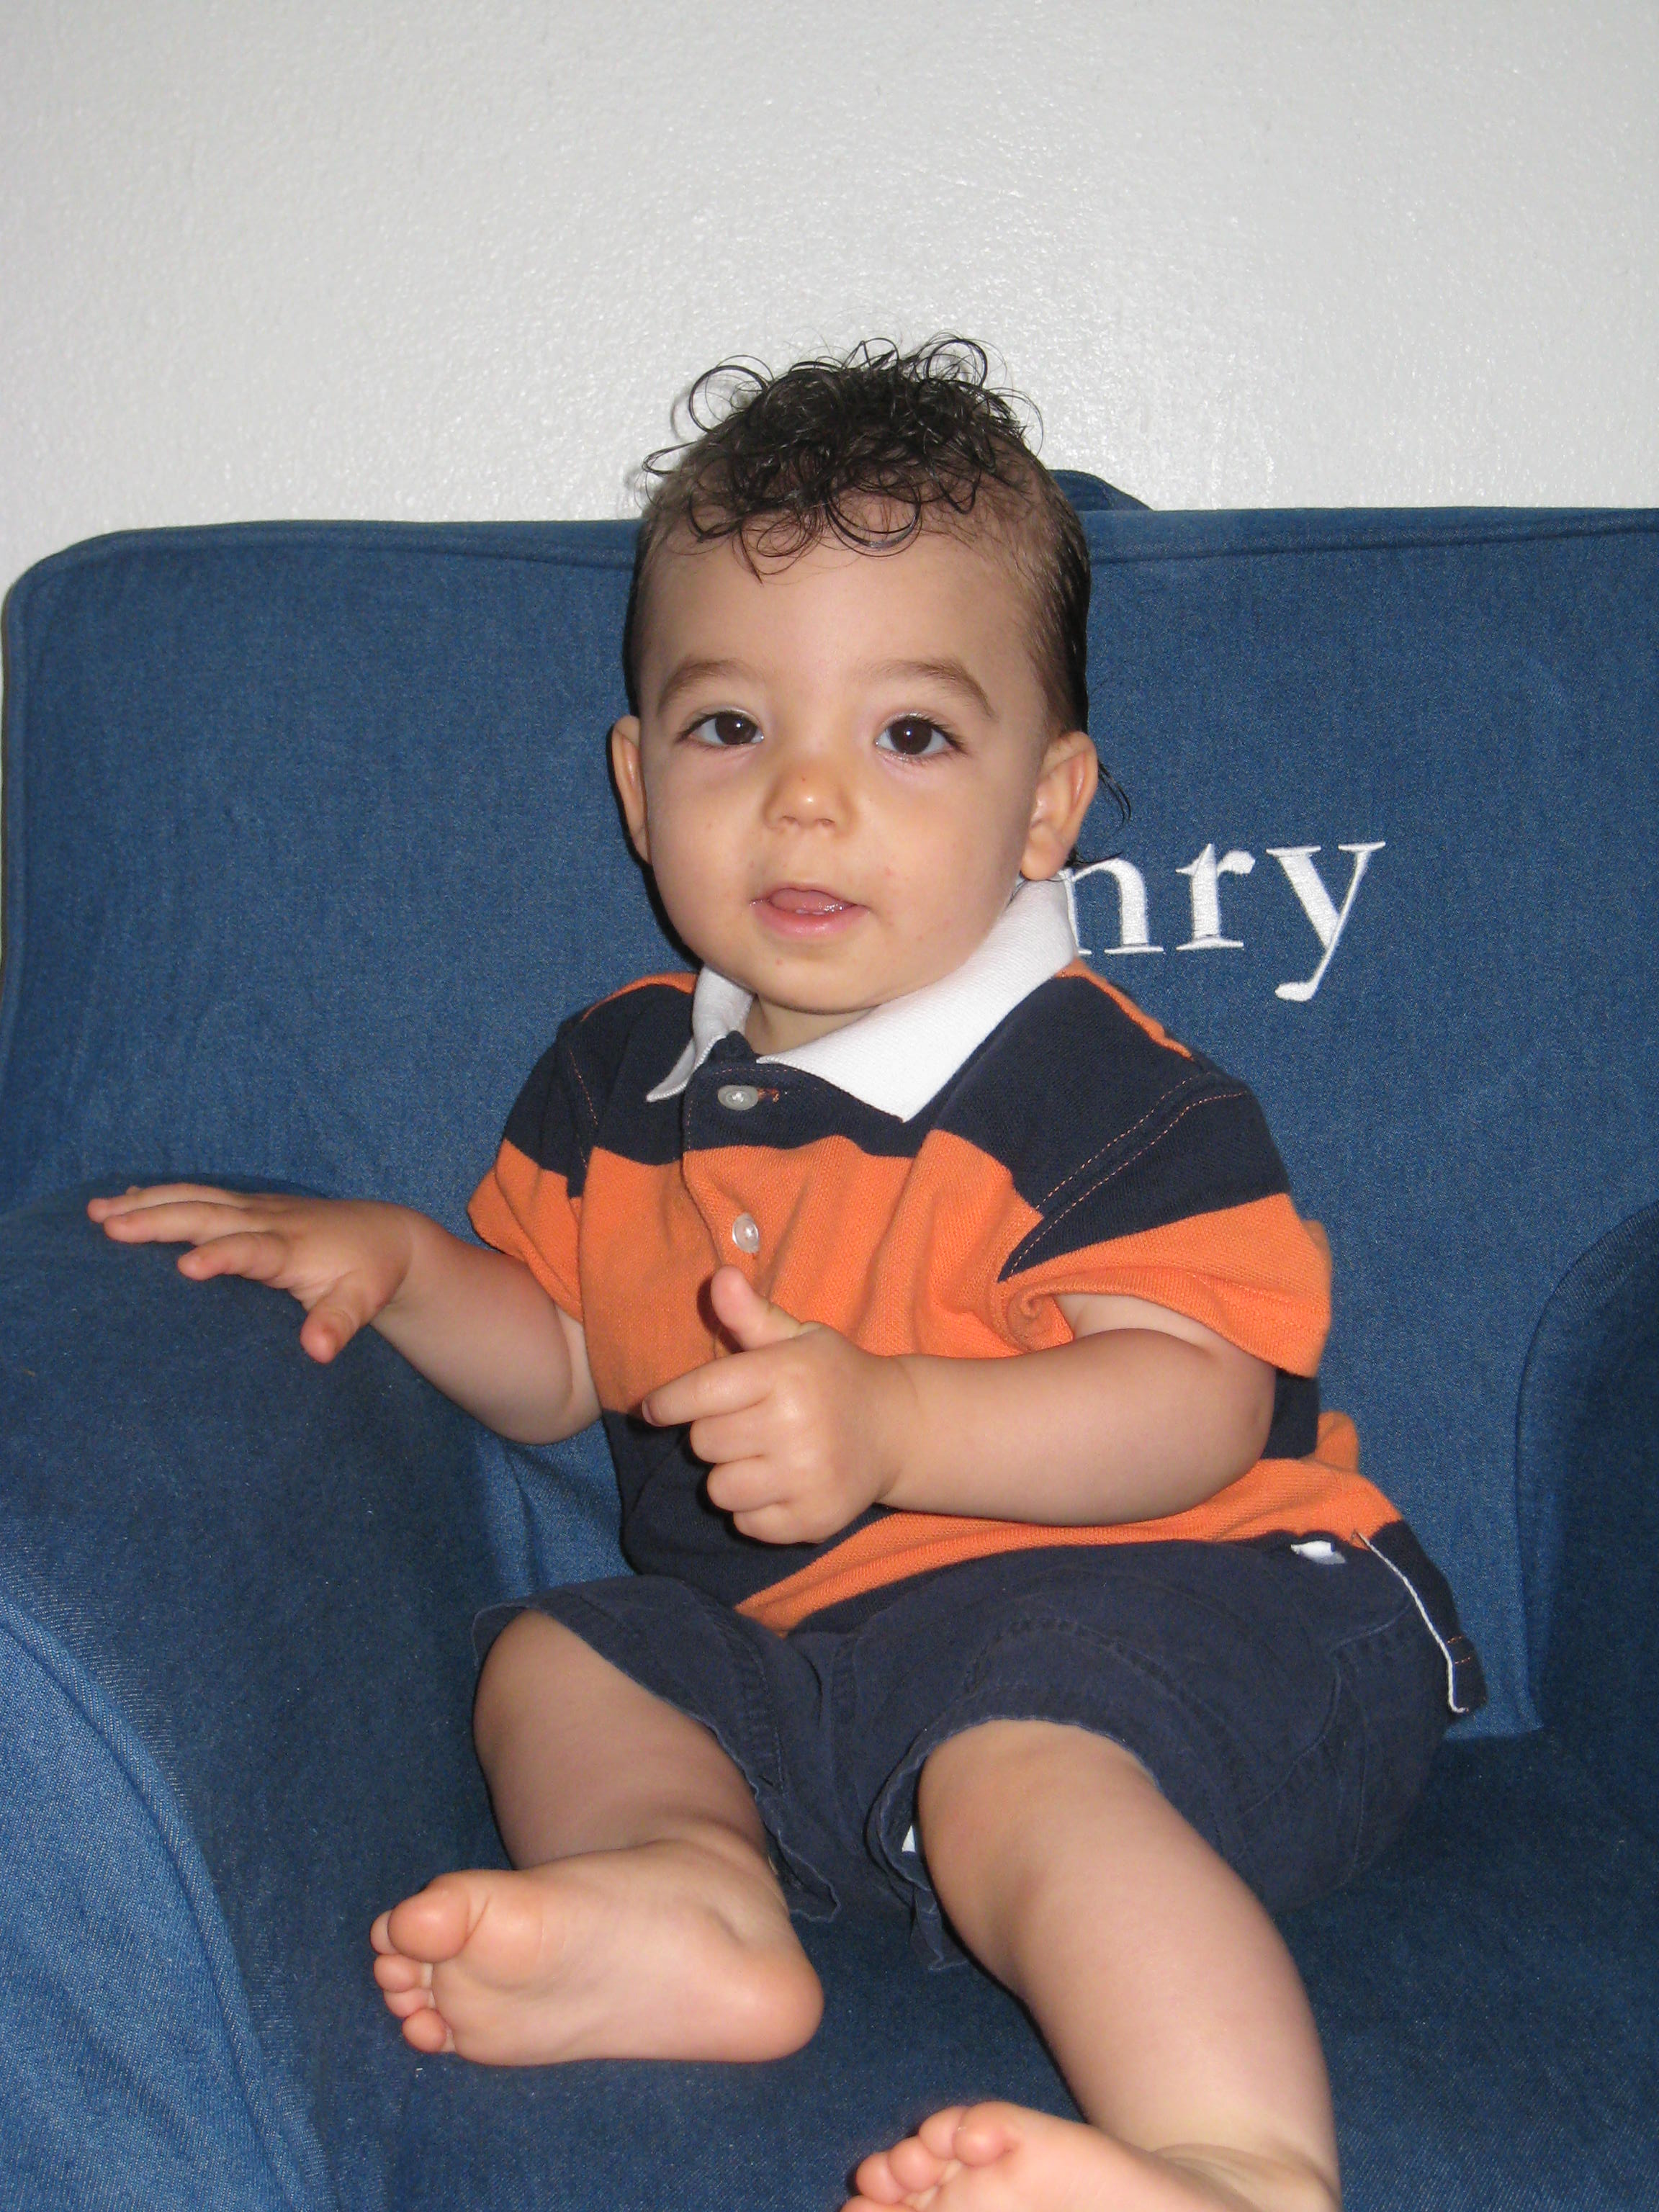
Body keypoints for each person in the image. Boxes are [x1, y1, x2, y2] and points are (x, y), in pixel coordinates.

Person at [91, 340, 1480, 2212]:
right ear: (637, 781)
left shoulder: (1101, 1092)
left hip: (1217, 1608)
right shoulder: (617, 1079)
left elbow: (1196, 1404)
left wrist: (893, 1422)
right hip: (831, 1674)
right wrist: (406, 1266)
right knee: (563, 1655)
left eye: (909, 736)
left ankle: (1231, 2160)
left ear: (1047, 805)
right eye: (731, 728)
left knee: (1016, 1765)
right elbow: (564, 1353)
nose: (807, 802)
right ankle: (686, 1896)